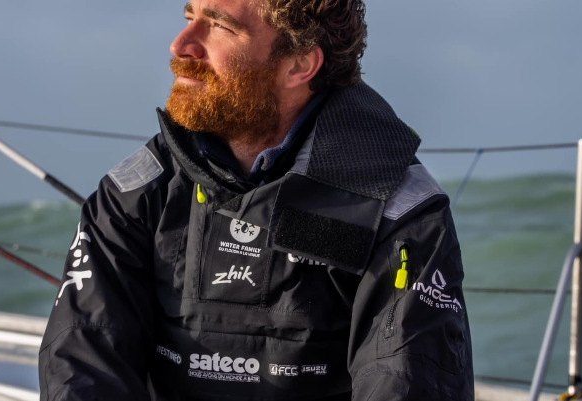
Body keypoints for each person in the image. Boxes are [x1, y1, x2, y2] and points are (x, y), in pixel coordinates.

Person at [39, 0, 474, 400]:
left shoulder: (397, 210)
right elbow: (82, 362)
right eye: (190, 17)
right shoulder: (136, 194)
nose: (182, 44)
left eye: (220, 27)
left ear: (299, 65)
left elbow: (406, 380)